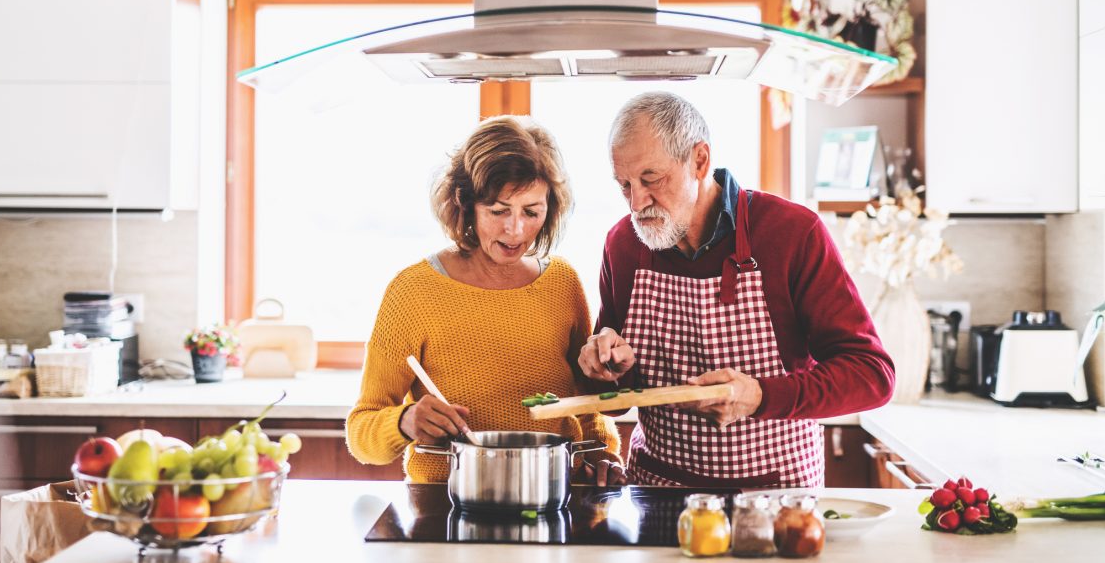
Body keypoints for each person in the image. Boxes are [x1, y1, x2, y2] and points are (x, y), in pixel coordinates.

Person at [578, 92, 895, 488]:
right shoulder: (623, 245)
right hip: (658, 492)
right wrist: (608, 368)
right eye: (624, 184)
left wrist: (760, 395)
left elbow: (872, 375)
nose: (637, 202)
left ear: (699, 160)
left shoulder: (792, 233)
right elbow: (610, 395)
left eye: (651, 179)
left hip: (776, 497)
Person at [347, 116, 624, 485]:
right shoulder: (413, 292)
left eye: (531, 211)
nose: (516, 230)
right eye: (498, 211)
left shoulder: (562, 282)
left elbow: (586, 402)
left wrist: (603, 453)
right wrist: (403, 421)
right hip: (447, 504)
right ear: (465, 204)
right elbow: (362, 432)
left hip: (553, 493)